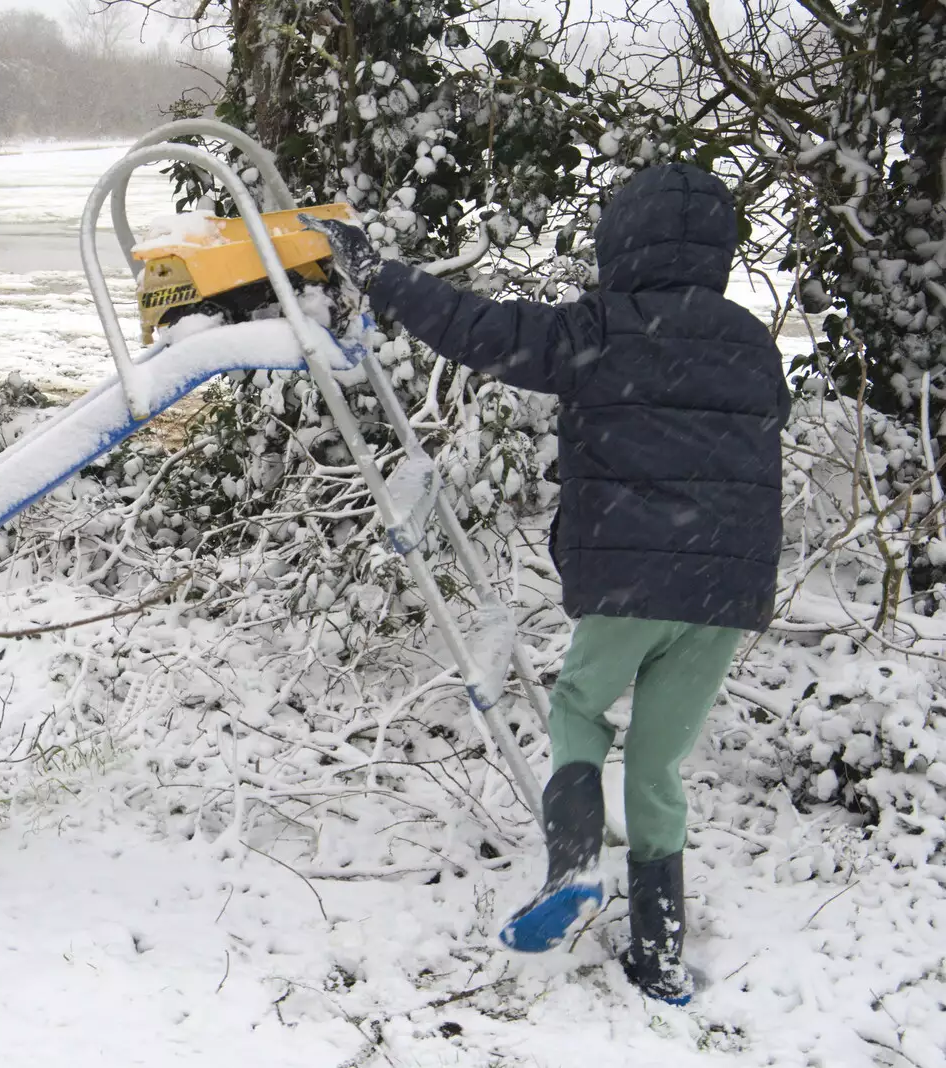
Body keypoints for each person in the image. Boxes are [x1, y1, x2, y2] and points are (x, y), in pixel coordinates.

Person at [302, 163, 788, 1005]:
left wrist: (379, 274)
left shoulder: (602, 327)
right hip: (726, 592)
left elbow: (478, 327)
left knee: (578, 709)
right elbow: (761, 426)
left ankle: (572, 868)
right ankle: (658, 955)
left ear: (624, 241)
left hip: (633, 576)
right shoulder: (750, 341)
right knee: (659, 760)